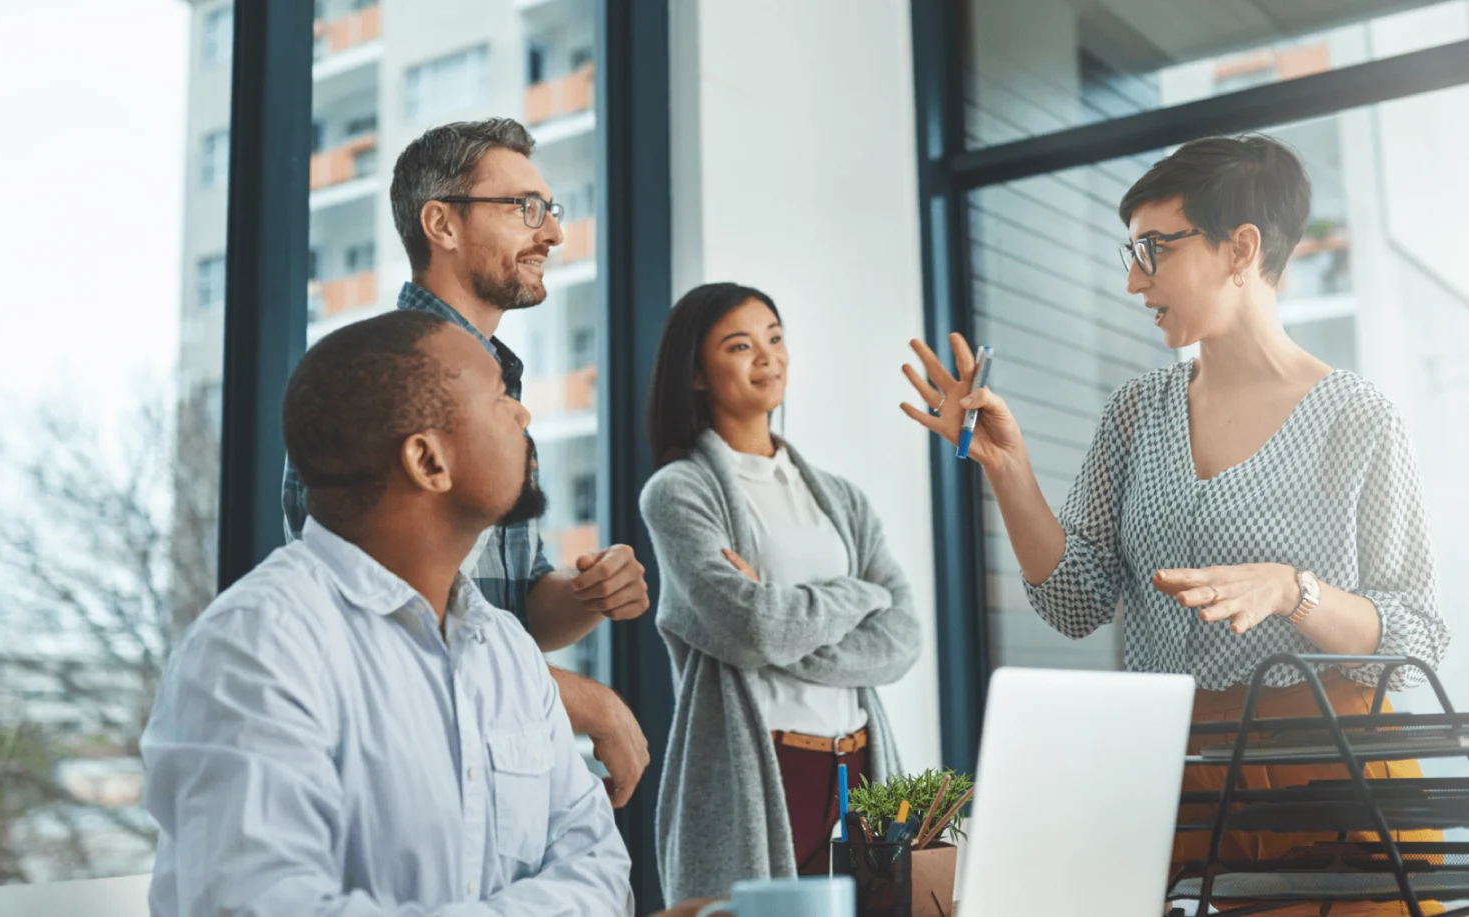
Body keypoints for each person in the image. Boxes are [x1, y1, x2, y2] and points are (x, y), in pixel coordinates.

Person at [899, 135, 1449, 916]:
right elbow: (1075, 600)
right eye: (1130, 252)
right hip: (1167, 779)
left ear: (1241, 248)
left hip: (1329, 784)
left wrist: (1294, 589)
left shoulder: (1360, 418)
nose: (1132, 280)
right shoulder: (1136, 412)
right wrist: (1008, 469)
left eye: (1152, 250)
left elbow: (1418, 632)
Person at [142, 311, 649, 916]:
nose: (523, 415)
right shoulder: (256, 647)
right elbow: (260, 905)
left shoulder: (507, 649)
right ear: (427, 461)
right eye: (497, 400)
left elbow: (601, 870)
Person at [280, 117, 653, 809]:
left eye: (552, 210)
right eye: (525, 208)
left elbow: (516, 606)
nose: (553, 233)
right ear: (442, 224)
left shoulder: (501, 391)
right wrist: (577, 698)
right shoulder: (372, 382)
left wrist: (585, 594)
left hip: (497, 763)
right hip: (408, 778)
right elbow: (382, 627)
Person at [640, 283, 921, 903]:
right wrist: (858, 595)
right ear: (695, 374)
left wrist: (783, 613)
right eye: (740, 346)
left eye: (774, 337)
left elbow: (902, 641)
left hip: (859, 764)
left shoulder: (842, 498)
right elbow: (754, 630)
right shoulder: (679, 493)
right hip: (763, 765)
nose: (768, 357)